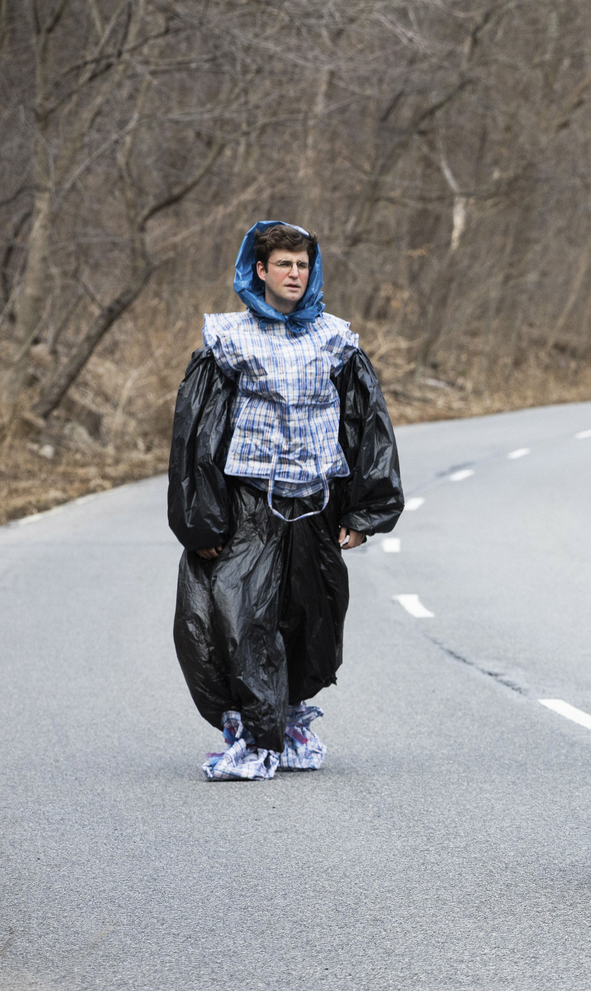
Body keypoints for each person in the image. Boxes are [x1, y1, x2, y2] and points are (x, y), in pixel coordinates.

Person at [168, 221, 403, 780]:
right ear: (261, 270)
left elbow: (366, 426)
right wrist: (202, 520)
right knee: (242, 621)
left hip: (315, 504)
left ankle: (289, 724)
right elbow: (198, 431)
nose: (294, 274)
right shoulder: (228, 340)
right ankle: (257, 737)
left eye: (302, 265)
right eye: (284, 265)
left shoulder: (336, 339)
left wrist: (365, 511)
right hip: (249, 502)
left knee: (308, 619)